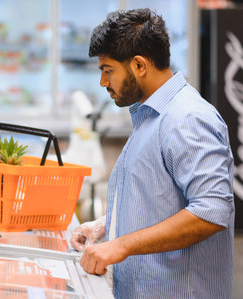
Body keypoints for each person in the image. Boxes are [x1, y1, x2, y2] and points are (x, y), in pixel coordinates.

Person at [70, 8, 235, 299]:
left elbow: (211, 210)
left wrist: (121, 245)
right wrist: (107, 226)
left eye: (108, 70)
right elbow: (157, 201)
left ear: (139, 65)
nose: (103, 83)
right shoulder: (150, 116)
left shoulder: (187, 118)